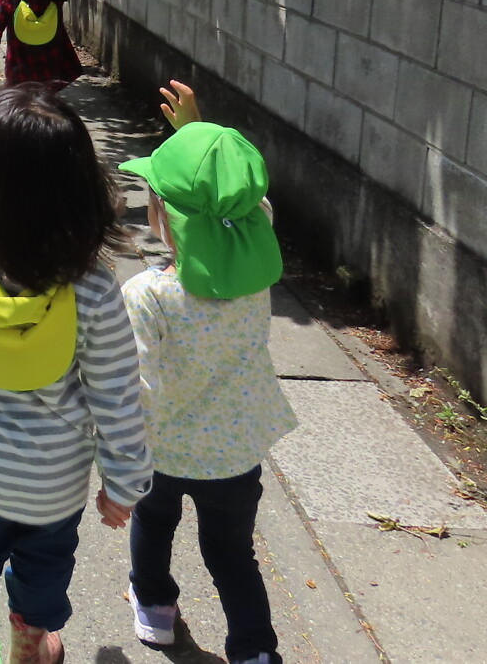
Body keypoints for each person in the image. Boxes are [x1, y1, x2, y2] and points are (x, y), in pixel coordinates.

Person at [0, 79, 152, 664]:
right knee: (44, 562)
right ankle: (29, 641)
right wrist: (124, 484)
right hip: (51, 480)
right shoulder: (92, 288)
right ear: (80, 187)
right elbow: (118, 393)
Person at [117, 81, 293, 664]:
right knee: (233, 554)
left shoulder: (148, 294)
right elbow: (246, 201)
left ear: (161, 215)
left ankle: (154, 608)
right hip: (236, 451)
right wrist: (198, 135)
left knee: (154, 525)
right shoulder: (256, 269)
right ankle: (254, 650)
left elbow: (138, 386)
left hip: (165, 451)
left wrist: (118, 461)